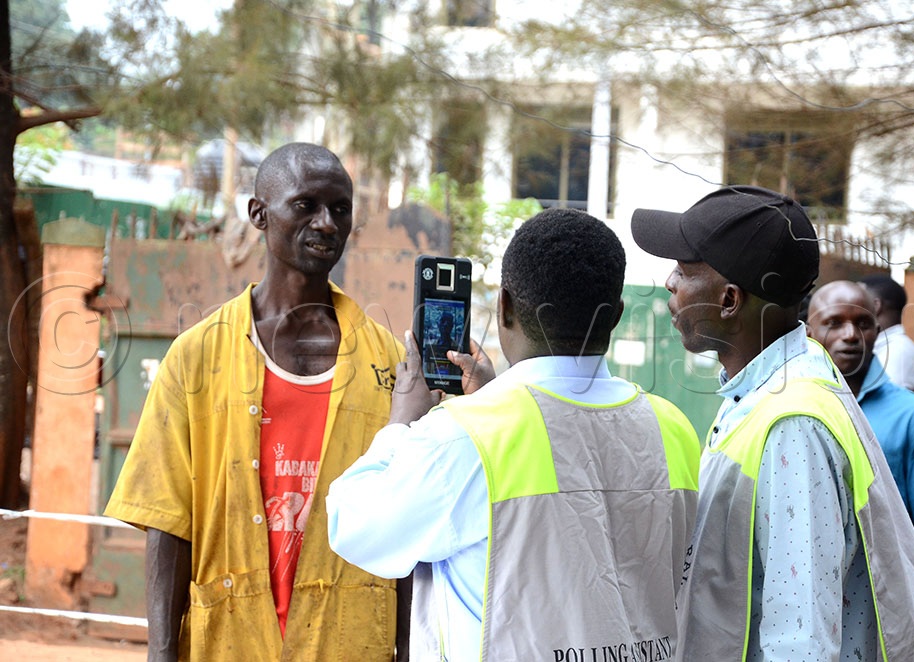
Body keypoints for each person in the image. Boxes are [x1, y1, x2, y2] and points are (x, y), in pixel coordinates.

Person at [326, 208, 701, 661]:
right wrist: (494, 397)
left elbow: (353, 526)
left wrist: (401, 423)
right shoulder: (673, 428)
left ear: (503, 305)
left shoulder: (463, 436)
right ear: (615, 315)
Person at [631, 185, 914, 660]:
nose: (669, 282)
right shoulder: (766, 388)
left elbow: (802, 642)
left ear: (728, 300)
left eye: (683, 271)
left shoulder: (793, 424)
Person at [104, 143, 408, 661]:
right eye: (306, 205)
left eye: (340, 208)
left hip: (349, 642)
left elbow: (408, 519)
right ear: (259, 214)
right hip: (229, 640)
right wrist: (160, 652)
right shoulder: (198, 356)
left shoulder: (390, 363)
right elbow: (167, 520)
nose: (327, 223)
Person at [806, 280, 914, 590]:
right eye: (834, 323)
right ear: (809, 333)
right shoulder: (792, 410)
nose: (851, 335)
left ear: (878, 331)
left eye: (863, 324)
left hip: (887, 607)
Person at [858, 274, 914, 394]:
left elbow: (882, 406)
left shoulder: (897, 351)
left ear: (876, 306)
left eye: (856, 300)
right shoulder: (883, 346)